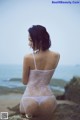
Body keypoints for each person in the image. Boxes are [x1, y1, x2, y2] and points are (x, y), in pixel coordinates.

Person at [19, 25, 60, 120]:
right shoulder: (56, 55)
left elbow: (25, 82)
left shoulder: (28, 57)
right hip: (49, 98)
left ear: (39, 40)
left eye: (30, 40)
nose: (29, 43)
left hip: (30, 98)